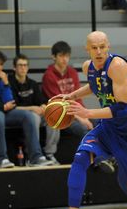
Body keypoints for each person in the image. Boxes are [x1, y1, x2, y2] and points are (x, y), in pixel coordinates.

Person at [59, 31, 127, 209]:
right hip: (109, 129)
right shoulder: (88, 67)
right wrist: (71, 96)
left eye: (102, 47)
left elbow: (123, 109)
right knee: (81, 158)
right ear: (87, 49)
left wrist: (87, 113)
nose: (99, 52)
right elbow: (94, 84)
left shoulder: (118, 66)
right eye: (94, 48)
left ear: (108, 47)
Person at [42, 41, 115, 172]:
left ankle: (110, 154)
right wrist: (81, 117)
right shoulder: (49, 75)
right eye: (61, 56)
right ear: (54, 57)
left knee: (102, 122)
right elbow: (58, 103)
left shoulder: (72, 72)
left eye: (67, 56)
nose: (64, 59)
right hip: (62, 116)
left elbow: (78, 97)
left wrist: (84, 113)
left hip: (77, 111)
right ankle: (97, 160)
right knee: (83, 128)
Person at [0, 49, 52, 168]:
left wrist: (5, 84)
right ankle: (2, 158)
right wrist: (2, 107)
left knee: (28, 116)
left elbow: (9, 101)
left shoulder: (1, 77)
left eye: (1, 64)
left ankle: (35, 157)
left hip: (2, 110)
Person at [8, 54, 59, 165]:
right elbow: (12, 106)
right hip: (17, 114)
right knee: (33, 117)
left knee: (53, 115)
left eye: (25, 65)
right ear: (14, 68)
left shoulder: (32, 83)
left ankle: (49, 154)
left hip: (34, 113)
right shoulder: (9, 83)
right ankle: (33, 156)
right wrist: (32, 108)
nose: (23, 68)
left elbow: (41, 101)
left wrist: (44, 107)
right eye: (20, 65)